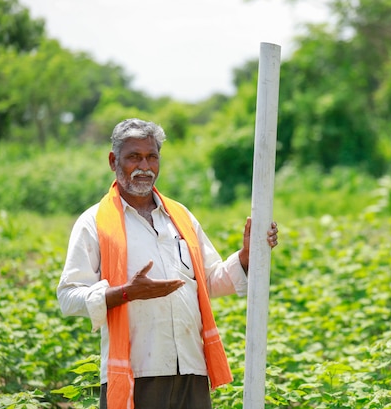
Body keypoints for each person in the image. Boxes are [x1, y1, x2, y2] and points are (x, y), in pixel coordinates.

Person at [57, 118, 278, 409]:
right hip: (137, 374)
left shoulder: (180, 216)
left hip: (191, 367)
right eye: (134, 157)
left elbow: (209, 281)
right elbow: (69, 297)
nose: (144, 167)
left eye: (152, 157)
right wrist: (126, 292)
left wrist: (247, 256)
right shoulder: (94, 222)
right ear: (113, 161)